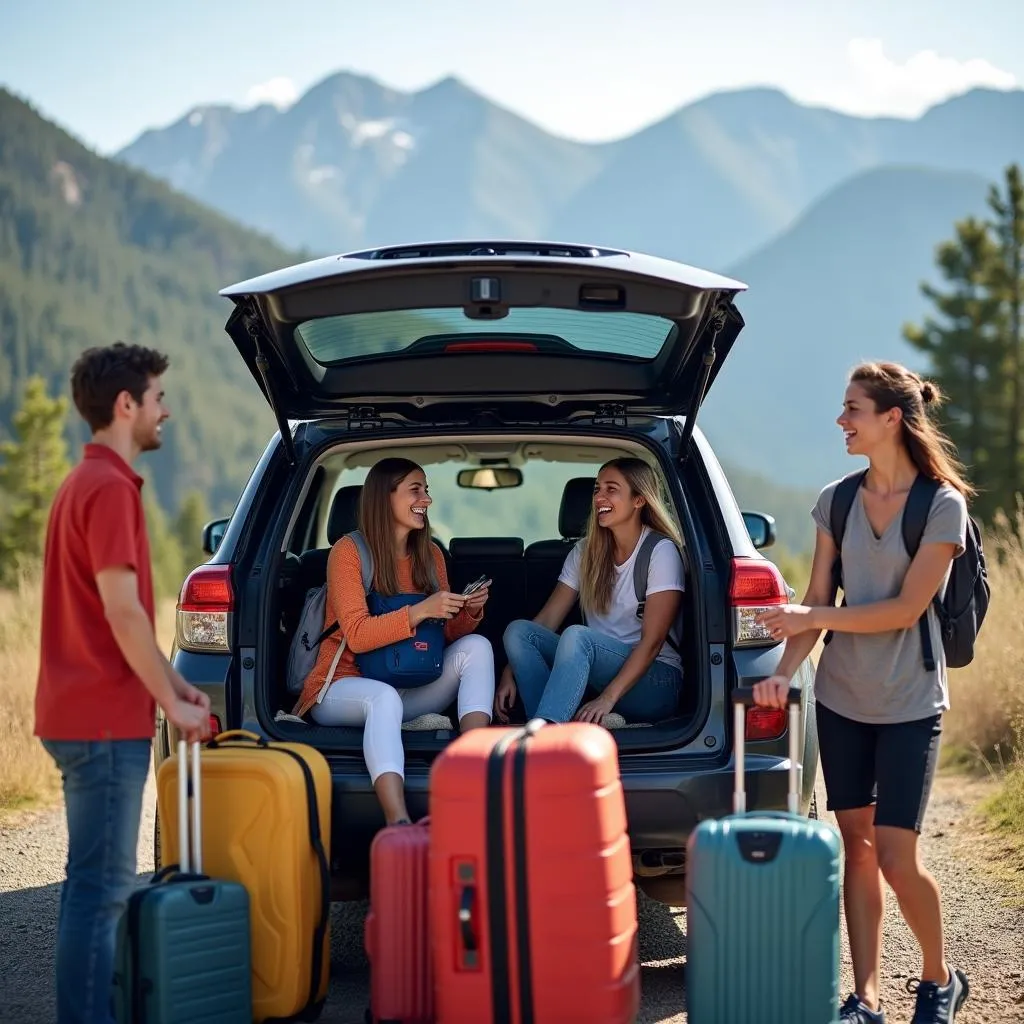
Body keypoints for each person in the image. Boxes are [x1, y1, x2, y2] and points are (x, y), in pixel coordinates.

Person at [752, 362, 972, 1024]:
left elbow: (905, 609)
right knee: (858, 848)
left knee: (898, 855)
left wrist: (813, 620)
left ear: (891, 419)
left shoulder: (942, 507)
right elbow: (816, 598)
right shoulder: (836, 501)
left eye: (853, 409)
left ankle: (938, 979)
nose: (842, 422)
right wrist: (783, 672)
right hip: (842, 698)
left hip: (909, 702)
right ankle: (866, 996)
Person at [34, 343, 212, 1024]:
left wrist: (176, 685)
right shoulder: (110, 489)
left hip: (75, 714)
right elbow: (123, 611)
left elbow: (121, 621)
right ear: (126, 405)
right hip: (104, 721)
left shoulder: (84, 483)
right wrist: (170, 701)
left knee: (89, 885)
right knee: (102, 891)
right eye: (158, 398)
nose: (165, 411)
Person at [292, 457, 494, 825]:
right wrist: (420, 610)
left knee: (479, 648)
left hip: (410, 688)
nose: (427, 499)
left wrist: (467, 612)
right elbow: (357, 634)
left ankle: (475, 778)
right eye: (416, 490)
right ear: (384, 498)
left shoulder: (430, 555)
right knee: (382, 699)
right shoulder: (348, 553)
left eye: (427, 490)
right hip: (340, 688)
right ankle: (398, 823)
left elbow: (442, 636)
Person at [498, 457, 684, 727]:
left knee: (578, 637)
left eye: (611, 489)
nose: (599, 497)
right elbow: (548, 619)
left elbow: (652, 643)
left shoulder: (660, 551)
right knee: (518, 631)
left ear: (639, 500)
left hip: (656, 682)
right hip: (599, 677)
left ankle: (548, 731)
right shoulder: (586, 551)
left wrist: (607, 698)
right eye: (597, 489)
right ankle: (543, 724)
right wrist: (509, 671)